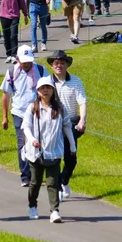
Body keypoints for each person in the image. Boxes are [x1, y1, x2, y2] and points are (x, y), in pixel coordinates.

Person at [23, 77, 75, 223]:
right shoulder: (32, 108)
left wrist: (72, 145)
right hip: (36, 153)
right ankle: (32, 206)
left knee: (53, 182)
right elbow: (26, 127)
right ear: (38, 91)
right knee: (35, 182)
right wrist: (32, 139)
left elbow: (67, 126)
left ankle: (55, 211)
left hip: (54, 152)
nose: (45, 91)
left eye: (48, 88)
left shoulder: (60, 108)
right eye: (42, 88)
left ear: (53, 90)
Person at [0, 45, 45, 187]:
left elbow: (49, 89)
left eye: (29, 61)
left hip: (37, 112)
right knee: (22, 144)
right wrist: (5, 117)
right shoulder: (12, 72)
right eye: (24, 62)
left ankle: (36, 173)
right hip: (19, 113)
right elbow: (6, 95)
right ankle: (25, 175)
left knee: (37, 142)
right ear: (18, 60)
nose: (27, 64)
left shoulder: (40, 70)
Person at [48, 50, 88, 199]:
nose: (59, 66)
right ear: (52, 65)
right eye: (56, 63)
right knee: (55, 158)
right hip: (52, 125)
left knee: (71, 158)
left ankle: (64, 180)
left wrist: (82, 120)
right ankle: (57, 188)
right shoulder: (47, 82)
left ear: (67, 65)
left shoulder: (76, 81)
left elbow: (82, 102)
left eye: (62, 63)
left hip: (70, 124)